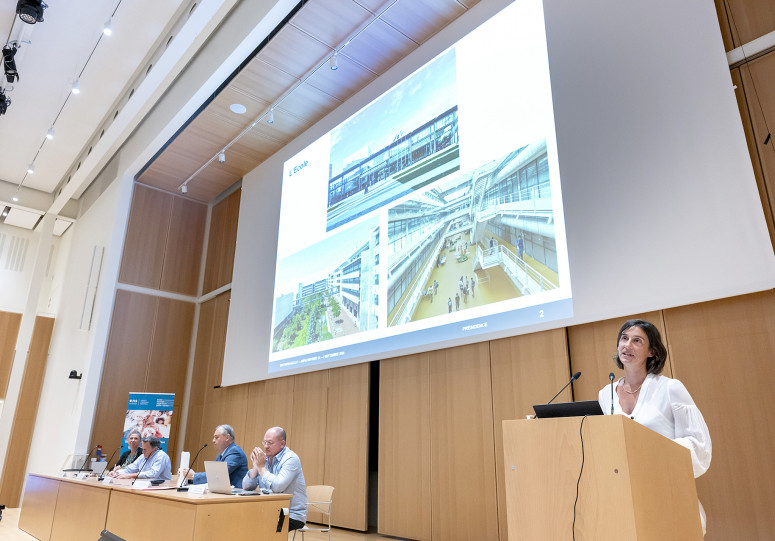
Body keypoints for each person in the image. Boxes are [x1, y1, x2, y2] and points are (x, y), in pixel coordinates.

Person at [598, 319, 711, 534]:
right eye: (624, 338)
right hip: (627, 498)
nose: (627, 345)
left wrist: (653, 452)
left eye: (637, 340)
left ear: (652, 351)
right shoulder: (605, 394)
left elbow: (698, 445)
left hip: (668, 493)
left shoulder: (670, 388)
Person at [242, 427, 307, 531]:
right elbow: (246, 486)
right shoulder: (265, 459)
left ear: (282, 444)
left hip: (289, 513)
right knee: (244, 521)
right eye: (265, 442)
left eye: (270, 443)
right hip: (269, 510)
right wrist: (255, 466)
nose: (266, 447)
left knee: (266, 528)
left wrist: (261, 468)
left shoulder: (291, 458)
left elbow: (278, 486)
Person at [178, 424, 249, 488]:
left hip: (237, 495)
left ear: (227, 437)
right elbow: (213, 479)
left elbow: (219, 474)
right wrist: (187, 478)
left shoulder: (235, 452)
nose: (213, 440)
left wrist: (194, 476)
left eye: (216, 437)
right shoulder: (220, 455)